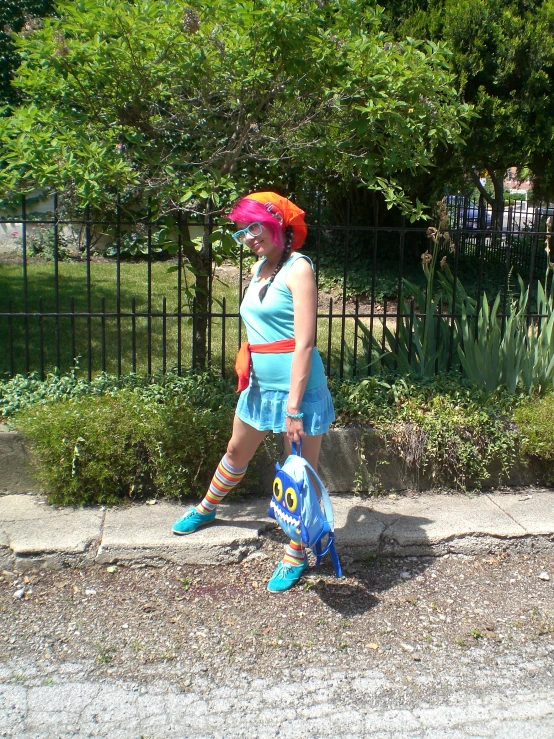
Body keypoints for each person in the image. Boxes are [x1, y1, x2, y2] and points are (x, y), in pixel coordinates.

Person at [172, 191, 335, 593]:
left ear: (278, 223)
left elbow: (305, 342)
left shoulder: (299, 269)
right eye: (243, 230)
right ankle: (207, 508)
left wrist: (294, 408)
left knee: (298, 475)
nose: (248, 236)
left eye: (254, 226)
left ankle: (296, 553)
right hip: (260, 387)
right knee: (235, 451)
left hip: (299, 391)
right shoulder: (260, 268)